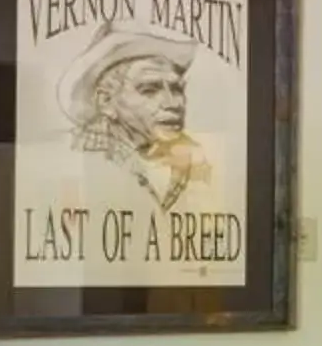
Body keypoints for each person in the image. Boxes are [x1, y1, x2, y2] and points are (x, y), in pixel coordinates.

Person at [57, 22, 213, 211]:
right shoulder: (69, 155)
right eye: (149, 90)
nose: (173, 103)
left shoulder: (194, 158)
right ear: (106, 101)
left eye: (176, 88)